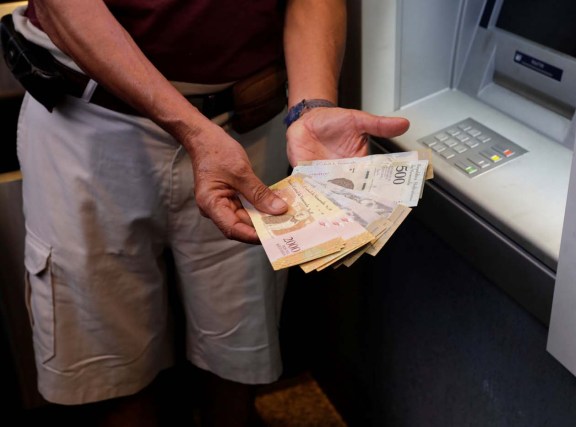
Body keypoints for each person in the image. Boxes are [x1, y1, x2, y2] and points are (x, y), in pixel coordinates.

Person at [11, 0, 410, 425]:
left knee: (240, 341)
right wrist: (193, 130)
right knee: (107, 356)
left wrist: (311, 107)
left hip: (247, 121)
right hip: (89, 119)